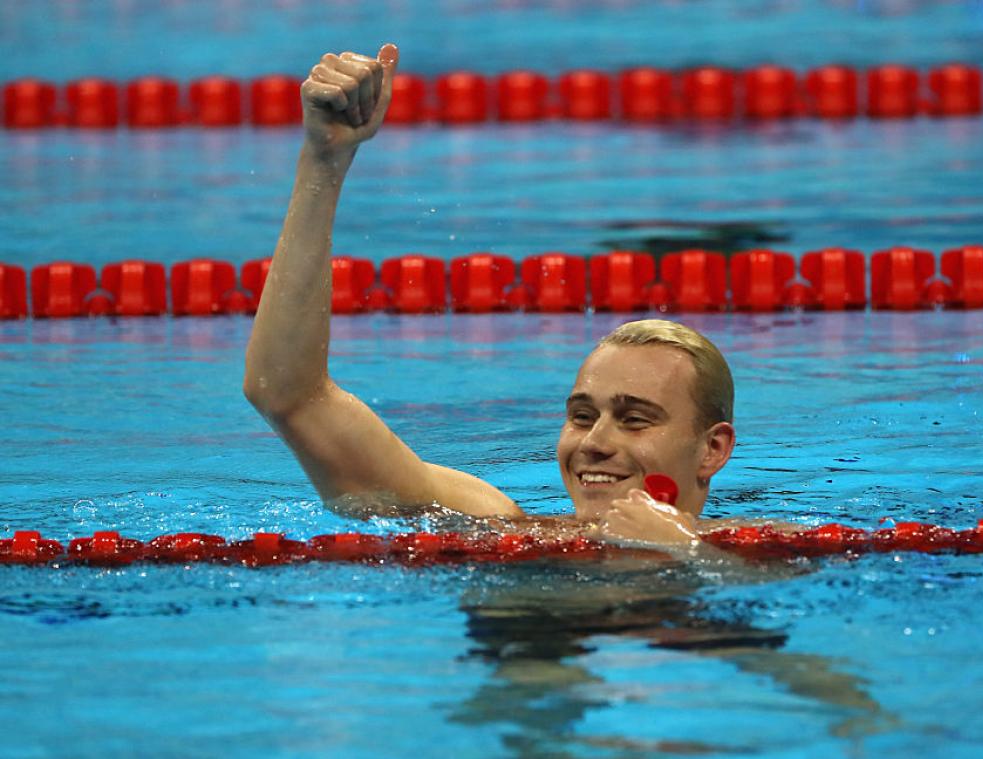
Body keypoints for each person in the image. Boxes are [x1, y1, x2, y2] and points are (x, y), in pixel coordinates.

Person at [243, 43, 735, 548]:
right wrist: (324, 159)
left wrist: (689, 553)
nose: (593, 443)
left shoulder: (773, 547)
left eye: (634, 420)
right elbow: (290, 396)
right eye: (581, 416)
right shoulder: (497, 528)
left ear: (712, 450)